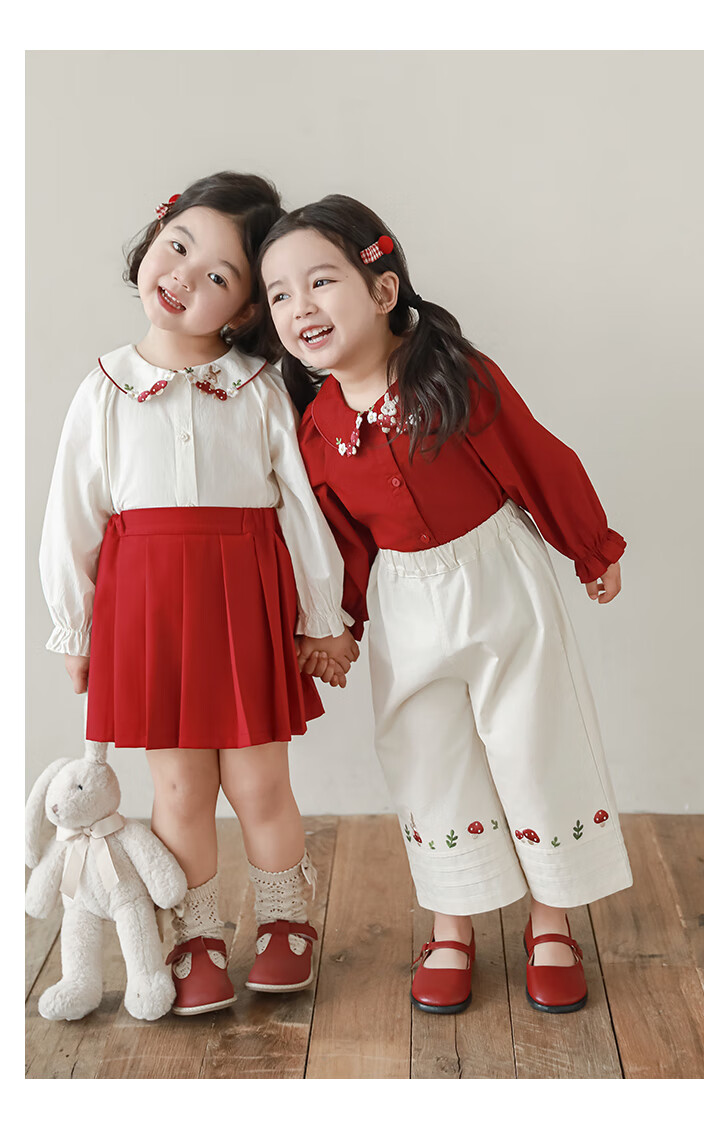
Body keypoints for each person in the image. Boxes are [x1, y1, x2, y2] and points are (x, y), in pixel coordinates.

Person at [260, 195, 633, 1016]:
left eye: (320, 281)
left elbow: (534, 455)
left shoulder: (452, 377)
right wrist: (338, 623)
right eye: (279, 293)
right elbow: (338, 541)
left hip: (499, 580)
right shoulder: (318, 428)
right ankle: (451, 922)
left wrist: (589, 543)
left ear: (382, 288)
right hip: (406, 600)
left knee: (534, 740)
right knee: (426, 755)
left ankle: (551, 921)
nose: (299, 306)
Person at [39, 173, 358, 1016]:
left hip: (243, 600)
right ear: (154, 237)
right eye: (178, 247)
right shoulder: (104, 387)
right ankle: (195, 933)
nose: (185, 275)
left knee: (259, 780)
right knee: (178, 788)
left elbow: (300, 510)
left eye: (218, 274)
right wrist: (74, 628)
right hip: (147, 612)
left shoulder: (258, 388)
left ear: (246, 309)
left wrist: (322, 616)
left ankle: (287, 918)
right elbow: (72, 516)